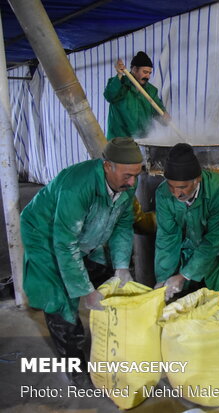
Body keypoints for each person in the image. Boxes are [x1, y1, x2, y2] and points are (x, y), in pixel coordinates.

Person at [20, 138, 143, 387]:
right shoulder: (77, 186)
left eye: (136, 175)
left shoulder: (126, 182)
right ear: (108, 166)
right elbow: (65, 243)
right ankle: (74, 367)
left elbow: (121, 223)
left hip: (85, 231)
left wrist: (121, 266)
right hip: (44, 233)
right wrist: (85, 291)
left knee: (106, 273)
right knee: (60, 295)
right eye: (128, 175)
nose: (132, 183)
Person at [154, 143, 219, 305]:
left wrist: (184, 275)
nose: (176, 193)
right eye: (171, 186)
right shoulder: (163, 194)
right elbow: (167, 237)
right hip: (197, 236)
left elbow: (214, 240)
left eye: (182, 187)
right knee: (188, 279)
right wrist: (162, 279)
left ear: (197, 180)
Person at [104, 51, 170, 140]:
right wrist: (119, 74)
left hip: (143, 142)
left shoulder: (151, 90)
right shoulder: (119, 83)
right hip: (120, 143)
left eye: (149, 73)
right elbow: (109, 95)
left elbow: (158, 112)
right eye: (145, 72)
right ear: (134, 69)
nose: (148, 76)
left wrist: (165, 117)